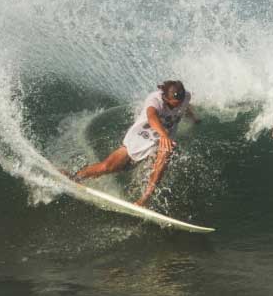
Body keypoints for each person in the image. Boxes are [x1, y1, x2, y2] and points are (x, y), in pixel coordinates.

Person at [70, 80, 200, 206]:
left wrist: (193, 118)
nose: (177, 106)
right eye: (174, 104)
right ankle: (75, 177)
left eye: (179, 103)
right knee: (108, 167)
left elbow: (185, 106)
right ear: (166, 98)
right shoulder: (155, 100)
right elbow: (152, 117)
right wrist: (164, 135)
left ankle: (145, 199)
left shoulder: (185, 97)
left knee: (165, 153)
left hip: (162, 139)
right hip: (140, 136)